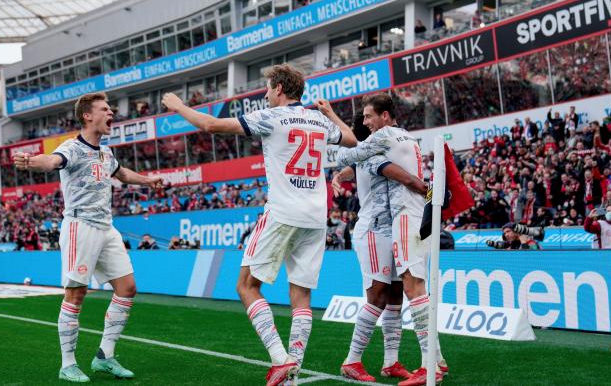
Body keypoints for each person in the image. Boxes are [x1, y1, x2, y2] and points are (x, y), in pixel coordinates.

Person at [161, 64, 356, 386]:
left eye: (268, 88)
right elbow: (350, 139)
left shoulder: (271, 117)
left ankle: (281, 359)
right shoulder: (319, 120)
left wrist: (178, 107)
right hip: (316, 216)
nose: (265, 94)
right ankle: (292, 376)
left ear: (279, 88)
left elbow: (211, 125)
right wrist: (331, 113)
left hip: (282, 212)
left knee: (246, 286)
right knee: (302, 296)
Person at [14, 92, 162, 383]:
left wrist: (146, 180)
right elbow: (51, 161)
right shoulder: (71, 148)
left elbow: (121, 174)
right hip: (80, 226)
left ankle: (104, 356)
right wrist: (31, 162)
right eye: (105, 109)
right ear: (88, 116)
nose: (111, 113)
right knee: (76, 293)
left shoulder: (106, 153)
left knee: (127, 287)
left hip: (107, 227)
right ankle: (67, 364)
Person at [336, 93, 447, 385]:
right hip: (378, 227)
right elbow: (406, 178)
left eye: (369, 116)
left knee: (402, 291)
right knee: (384, 293)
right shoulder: (407, 140)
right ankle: (358, 359)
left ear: (383, 117)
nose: (366, 122)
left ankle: (413, 363)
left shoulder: (380, 142)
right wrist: (434, 195)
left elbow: (347, 159)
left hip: (398, 222)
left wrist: (349, 152)